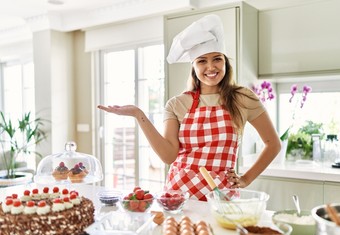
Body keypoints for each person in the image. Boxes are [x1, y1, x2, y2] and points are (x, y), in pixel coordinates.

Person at [98, 14, 281, 201]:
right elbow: (169, 156)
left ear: (225, 61)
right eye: (202, 61)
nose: (211, 67)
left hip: (220, 196)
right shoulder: (177, 104)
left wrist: (245, 179)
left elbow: (273, 144)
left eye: (217, 59)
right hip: (179, 194)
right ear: (193, 67)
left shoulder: (243, 98)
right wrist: (138, 115)